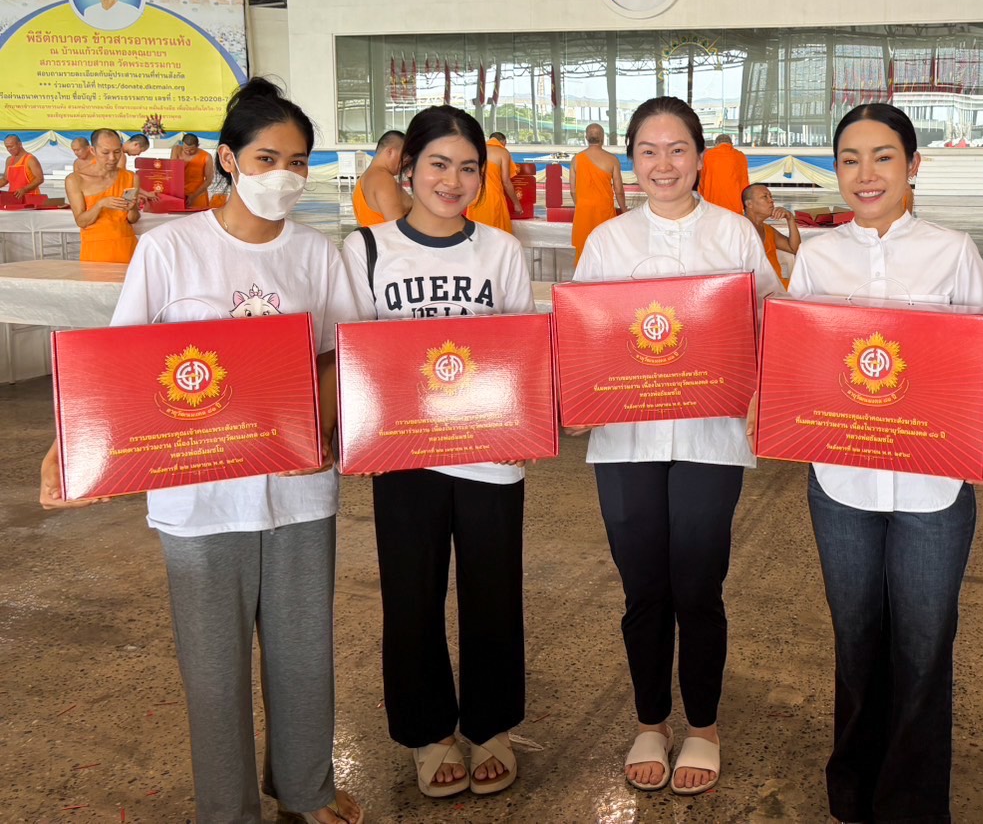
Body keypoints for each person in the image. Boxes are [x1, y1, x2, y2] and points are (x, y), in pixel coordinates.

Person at [39, 79, 365, 824]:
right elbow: (118, 365)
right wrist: (70, 446)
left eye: (299, 160)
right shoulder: (170, 250)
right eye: (267, 156)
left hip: (297, 491)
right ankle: (227, 808)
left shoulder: (318, 255)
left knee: (302, 652)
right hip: (198, 498)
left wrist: (317, 432)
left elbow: (338, 357)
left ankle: (307, 791)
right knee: (214, 669)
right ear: (228, 158)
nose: (284, 174)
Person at [778, 103, 983, 824]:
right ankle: (853, 796)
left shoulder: (950, 252)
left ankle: (913, 807)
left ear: (913, 166)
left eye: (883, 156)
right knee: (856, 639)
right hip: (842, 482)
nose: (866, 174)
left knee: (923, 648)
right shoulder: (818, 257)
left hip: (932, 485)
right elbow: (801, 359)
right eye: (850, 158)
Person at [573, 96, 782, 796]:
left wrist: (763, 393)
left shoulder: (734, 236)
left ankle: (703, 724)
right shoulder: (607, 242)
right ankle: (650, 719)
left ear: (698, 156)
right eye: (647, 151)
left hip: (711, 437)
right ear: (630, 160)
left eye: (676, 149)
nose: (663, 165)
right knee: (642, 589)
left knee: (697, 584)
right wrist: (573, 399)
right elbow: (583, 339)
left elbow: (770, 323)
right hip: (624, 440)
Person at [341, 106, 535, 799]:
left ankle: (490, 725)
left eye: (467, 167)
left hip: (489, 454)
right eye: (438, 164)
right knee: (411, 597)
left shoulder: (500, 252)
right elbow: (352, 356)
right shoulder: (365, 251)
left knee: (492, 593)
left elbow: (521, 355)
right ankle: (427, 732)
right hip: (405, 457)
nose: (453, 180)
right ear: (407, 167)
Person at [64, 128, 141, 263]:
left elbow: (132, 219)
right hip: (96, 248)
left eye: (117, 152)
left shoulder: (130, 177)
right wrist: (100, 204)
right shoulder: (75, 180)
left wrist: (133, 208)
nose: (112, 158)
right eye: (105, 152)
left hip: (126, 245)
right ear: (93, 151)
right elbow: (81, 221)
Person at [571, 122, 627, 266]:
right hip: (604, 210)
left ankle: (582, 282)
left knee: (583, 250)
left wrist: (581, 205)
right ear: (603, 138)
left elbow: (572, 190)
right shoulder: (612, 159)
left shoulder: (577, 159)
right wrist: (625, 210)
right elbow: (619, 191)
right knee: (605, 248)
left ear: (586, 137)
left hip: (583, 211)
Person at [740, 183, 800, 287]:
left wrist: (790, 218)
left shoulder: (768, 230)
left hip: (777, 288)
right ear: (749, 204)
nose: (771, 201)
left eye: (770, 196)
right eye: (765, 197)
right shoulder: (738, 227)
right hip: (750, 288)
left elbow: (794, 248)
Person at [352, 130, 409, 226]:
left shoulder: (363, 179)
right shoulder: (383, 179)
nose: (405, 162)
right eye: (404, 156)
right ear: (390, 151)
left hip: (374, 239)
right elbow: (398, 228)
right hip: (389, 240)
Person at [466, 131, 516, 234]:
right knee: (495, 233)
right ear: (503, 142)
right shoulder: (502, 152)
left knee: (476, 232)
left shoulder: (475, 150)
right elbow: (506, 181)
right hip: (493, 198)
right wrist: (516, 203)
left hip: (474, 198)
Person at [697, 133, 749, 215]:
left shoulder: (707, 156)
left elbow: (701, 181)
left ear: (716, 144)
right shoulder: (740, 156)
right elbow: (744, 181)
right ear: (731, 144)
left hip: (712, 204)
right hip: (735, 206)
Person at [171, 133, 215, 208]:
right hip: (179, 194)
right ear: (182, 144)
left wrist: (194, 196)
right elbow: (172, 170)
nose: (188, 152)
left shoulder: (206, 156)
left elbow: (209, 180)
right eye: (185, 149)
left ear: (198, 146)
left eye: (192, 150)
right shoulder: (176, 150)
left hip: (198, 194)